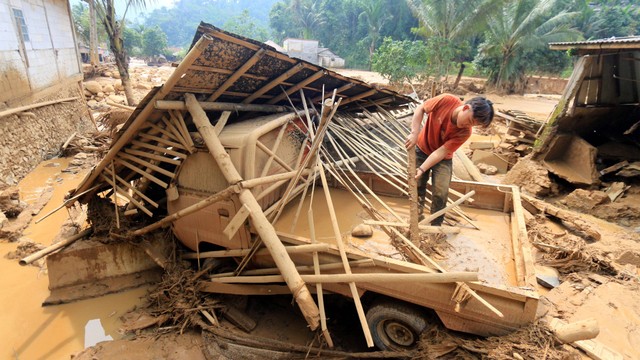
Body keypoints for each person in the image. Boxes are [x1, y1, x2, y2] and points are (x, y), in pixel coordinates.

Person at [404, 93, 494, 225]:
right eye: (469, 121)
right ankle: (416, 218)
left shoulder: (465, 132)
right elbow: (421, 108)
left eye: (473, 125)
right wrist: (414, 132)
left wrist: (422, 168)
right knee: (417, 186)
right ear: (465, 108)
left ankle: (436, 226)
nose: (468, 126)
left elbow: (440, 152)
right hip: (422, 148)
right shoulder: (446, 100)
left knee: (441, 192)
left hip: (442, 159)